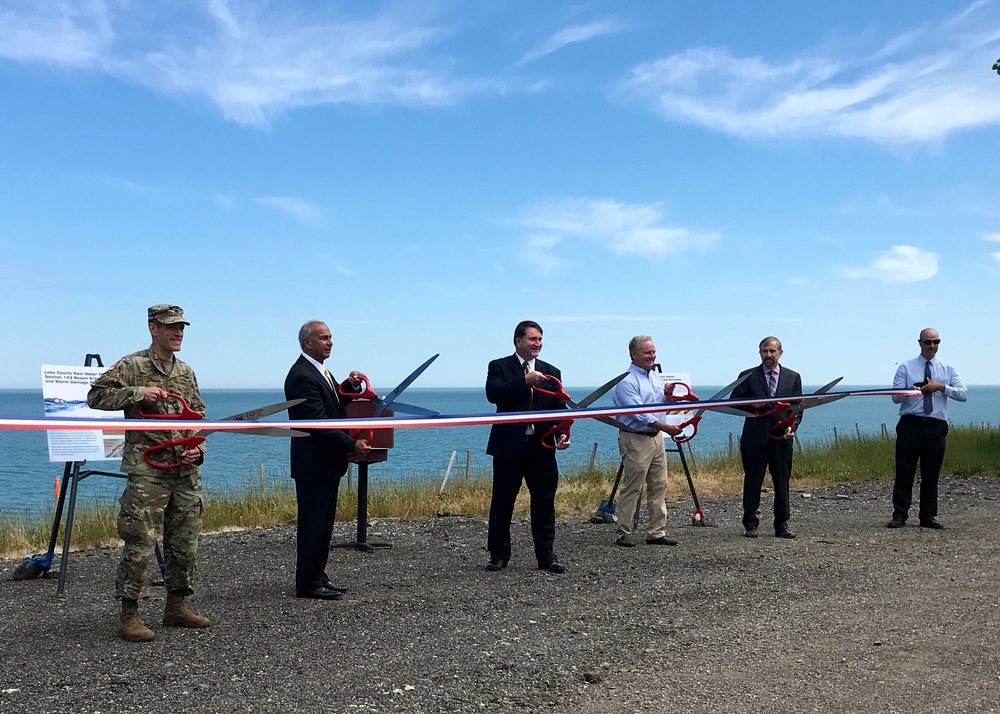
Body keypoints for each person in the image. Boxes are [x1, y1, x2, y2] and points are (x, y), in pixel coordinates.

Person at [87, 304, 210, 643]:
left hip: (184, 470)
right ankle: (130, 614)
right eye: (171, 326)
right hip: (148, 470)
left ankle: (176, 606)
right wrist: (139, 393)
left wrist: (198, 449)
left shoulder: (186, 372)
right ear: (152, 328)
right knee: (140, 541)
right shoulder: (132, 365)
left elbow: (199, 417)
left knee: (184, 541)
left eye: (182, 327)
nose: (178, 333)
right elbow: (95, 396)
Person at [284, 320, 370, 600]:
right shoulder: (301, 375)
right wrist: (351, 444)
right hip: (313, 463)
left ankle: (318, 575)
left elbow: (333, 405)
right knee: (312, 526)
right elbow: (318, 421)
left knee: (324, 525)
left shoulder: (320, 372)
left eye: (331, 337)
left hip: (326, 463)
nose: (329, 342)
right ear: (307, 343)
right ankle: (307, 583)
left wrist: (350, 386)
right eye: (323, 338)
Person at [485, 320, 570, 574]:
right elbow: (494, 394)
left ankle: (546, 556)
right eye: (533, 339)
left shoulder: (552, 371)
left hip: (541, 447)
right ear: (518, 341)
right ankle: (498, 555)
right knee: (502, 502)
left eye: (540, 339)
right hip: (508, 447)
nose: (538, 344)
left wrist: (563, 432)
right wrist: (525, 381)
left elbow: (558, 409)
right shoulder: (499, 366)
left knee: (544, 502)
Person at [887, 328, 967, 529]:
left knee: (932, 473)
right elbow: (895, 397)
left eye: (936, 342)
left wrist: (940, 387)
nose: (932, 346)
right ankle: (900, 515)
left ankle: (928, 515)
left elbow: (963, 394)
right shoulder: (906, 367)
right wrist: (909, 392)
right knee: (905, 471)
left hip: (936, 426)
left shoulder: (948, 368)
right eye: (928, 342)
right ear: (920, 343)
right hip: (911, 424)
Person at [611, 336, 683, 547]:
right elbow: (640, 414)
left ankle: (656, 532)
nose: (652, 356)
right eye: (647, 353)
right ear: (634, 355)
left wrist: (668, 397)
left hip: (656, 438)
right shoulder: (626, 381)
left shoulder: (654, 377)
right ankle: (623, 531)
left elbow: (660, 407)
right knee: (633, 486)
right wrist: (668, 428)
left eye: (653, 352)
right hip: (635, 438)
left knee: (659, 484)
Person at [731, 336, 802, 539]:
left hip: (781, 437)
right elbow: (733, 402)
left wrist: (793, 427)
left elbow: (798, 408)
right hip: (754, 438)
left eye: (772, 351)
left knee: (782, 482)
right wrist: (753, 406)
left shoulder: (793, 377)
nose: (768, 355)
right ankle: (750, 524)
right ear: (759, 353)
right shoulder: (747, 376)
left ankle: (782, 525)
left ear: (780, 353)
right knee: (753, 481)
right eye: (764, 351)